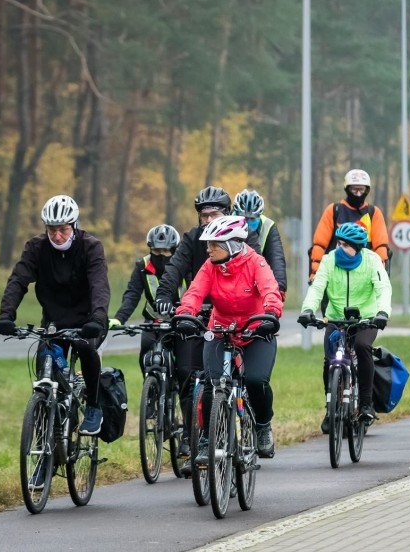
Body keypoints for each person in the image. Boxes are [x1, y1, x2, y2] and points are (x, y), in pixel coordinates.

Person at [154, 186, 260, 473]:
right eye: (205, 215)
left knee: (244, 377)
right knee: (190, 377)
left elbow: (260, 272)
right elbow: (174, 270)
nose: (210, 219)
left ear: (227, 214)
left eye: (216, 213)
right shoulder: (191, 239)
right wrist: (165, 298)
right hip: (199, 315)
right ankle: (198, 440)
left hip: (236, 316)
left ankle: (246, 429)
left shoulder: (240, 239)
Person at [0, 195, 110, 441]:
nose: (57, 236)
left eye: (63, 230)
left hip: (88, 320)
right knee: (44, 368)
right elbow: (18, 280)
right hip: (54, 321)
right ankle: (47, 444)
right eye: (51, 230)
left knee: (87, 351)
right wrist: (6, 315)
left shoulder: (90, 246)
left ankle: (93, 405)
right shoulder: (36, 247)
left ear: (74, 226)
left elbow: (99, 285)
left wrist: (98, 319)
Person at [174, 215, 283, 460]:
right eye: (208, 244)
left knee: (256, 381)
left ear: (232, 245)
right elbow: (194, 293)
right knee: (212, 385)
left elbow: (270, 291)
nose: (208, 249)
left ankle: (263, 426)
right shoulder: (210, 267)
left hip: (255, 331)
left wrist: (270, 315)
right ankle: (205, 439)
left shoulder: (256, 263)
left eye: (214, 244)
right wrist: (184, 314)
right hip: (221, 331)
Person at [297, 222, 392, 432]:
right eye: (338, 243)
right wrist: (308, 310)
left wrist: (382, 313)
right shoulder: (329, 260)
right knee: (330, 359)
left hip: (366, 319)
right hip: (336, 318)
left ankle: (366, 404)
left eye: (346, 245)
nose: (340, 248)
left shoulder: (372, 260)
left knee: (362, 346)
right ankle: (331, 408)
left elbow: (383, 288)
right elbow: (317, 287)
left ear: (358, 247)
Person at [108, 224, 182, 374]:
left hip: (180, 322)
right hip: (152, 322)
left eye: (165, 251)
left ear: (174, 251)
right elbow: (132, 294)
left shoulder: (183, 265)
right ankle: (151, 391)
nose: (160, 255)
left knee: (184, 366)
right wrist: (119, 318)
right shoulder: (143, 266)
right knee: (144, 359)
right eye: (156, 250)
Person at [308, 169, 391, 283]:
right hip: (334, 273)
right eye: (354, 189)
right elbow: (319, 245)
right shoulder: (334, 210)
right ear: (347, 189)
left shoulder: (373, 213)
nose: (358, 194)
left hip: (365, 275)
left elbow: (380, 247)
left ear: (367, 190)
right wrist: (315, 272)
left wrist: (381, 274)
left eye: (361, 189)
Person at [232, 189, 287, 298]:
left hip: (256, 278)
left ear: (259, 216)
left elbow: (276, 257)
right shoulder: (225, 222)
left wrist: (280, 287)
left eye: (252, 219)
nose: (247, 222)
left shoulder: (268, 226)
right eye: (243, 217)